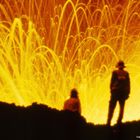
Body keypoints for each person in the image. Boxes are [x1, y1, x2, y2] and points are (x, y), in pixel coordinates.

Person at [107, 60, 130, 126]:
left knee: (111, 107)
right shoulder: (126, 73)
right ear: (123, 66)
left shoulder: (114, 72)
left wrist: (111, 90)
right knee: (122, 108)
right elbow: (128, 84)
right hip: (123, 93)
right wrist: (128, 93)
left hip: (115, 92)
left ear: (118, 66)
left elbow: (111, 82)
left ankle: (108, 122)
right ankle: (119, 121)